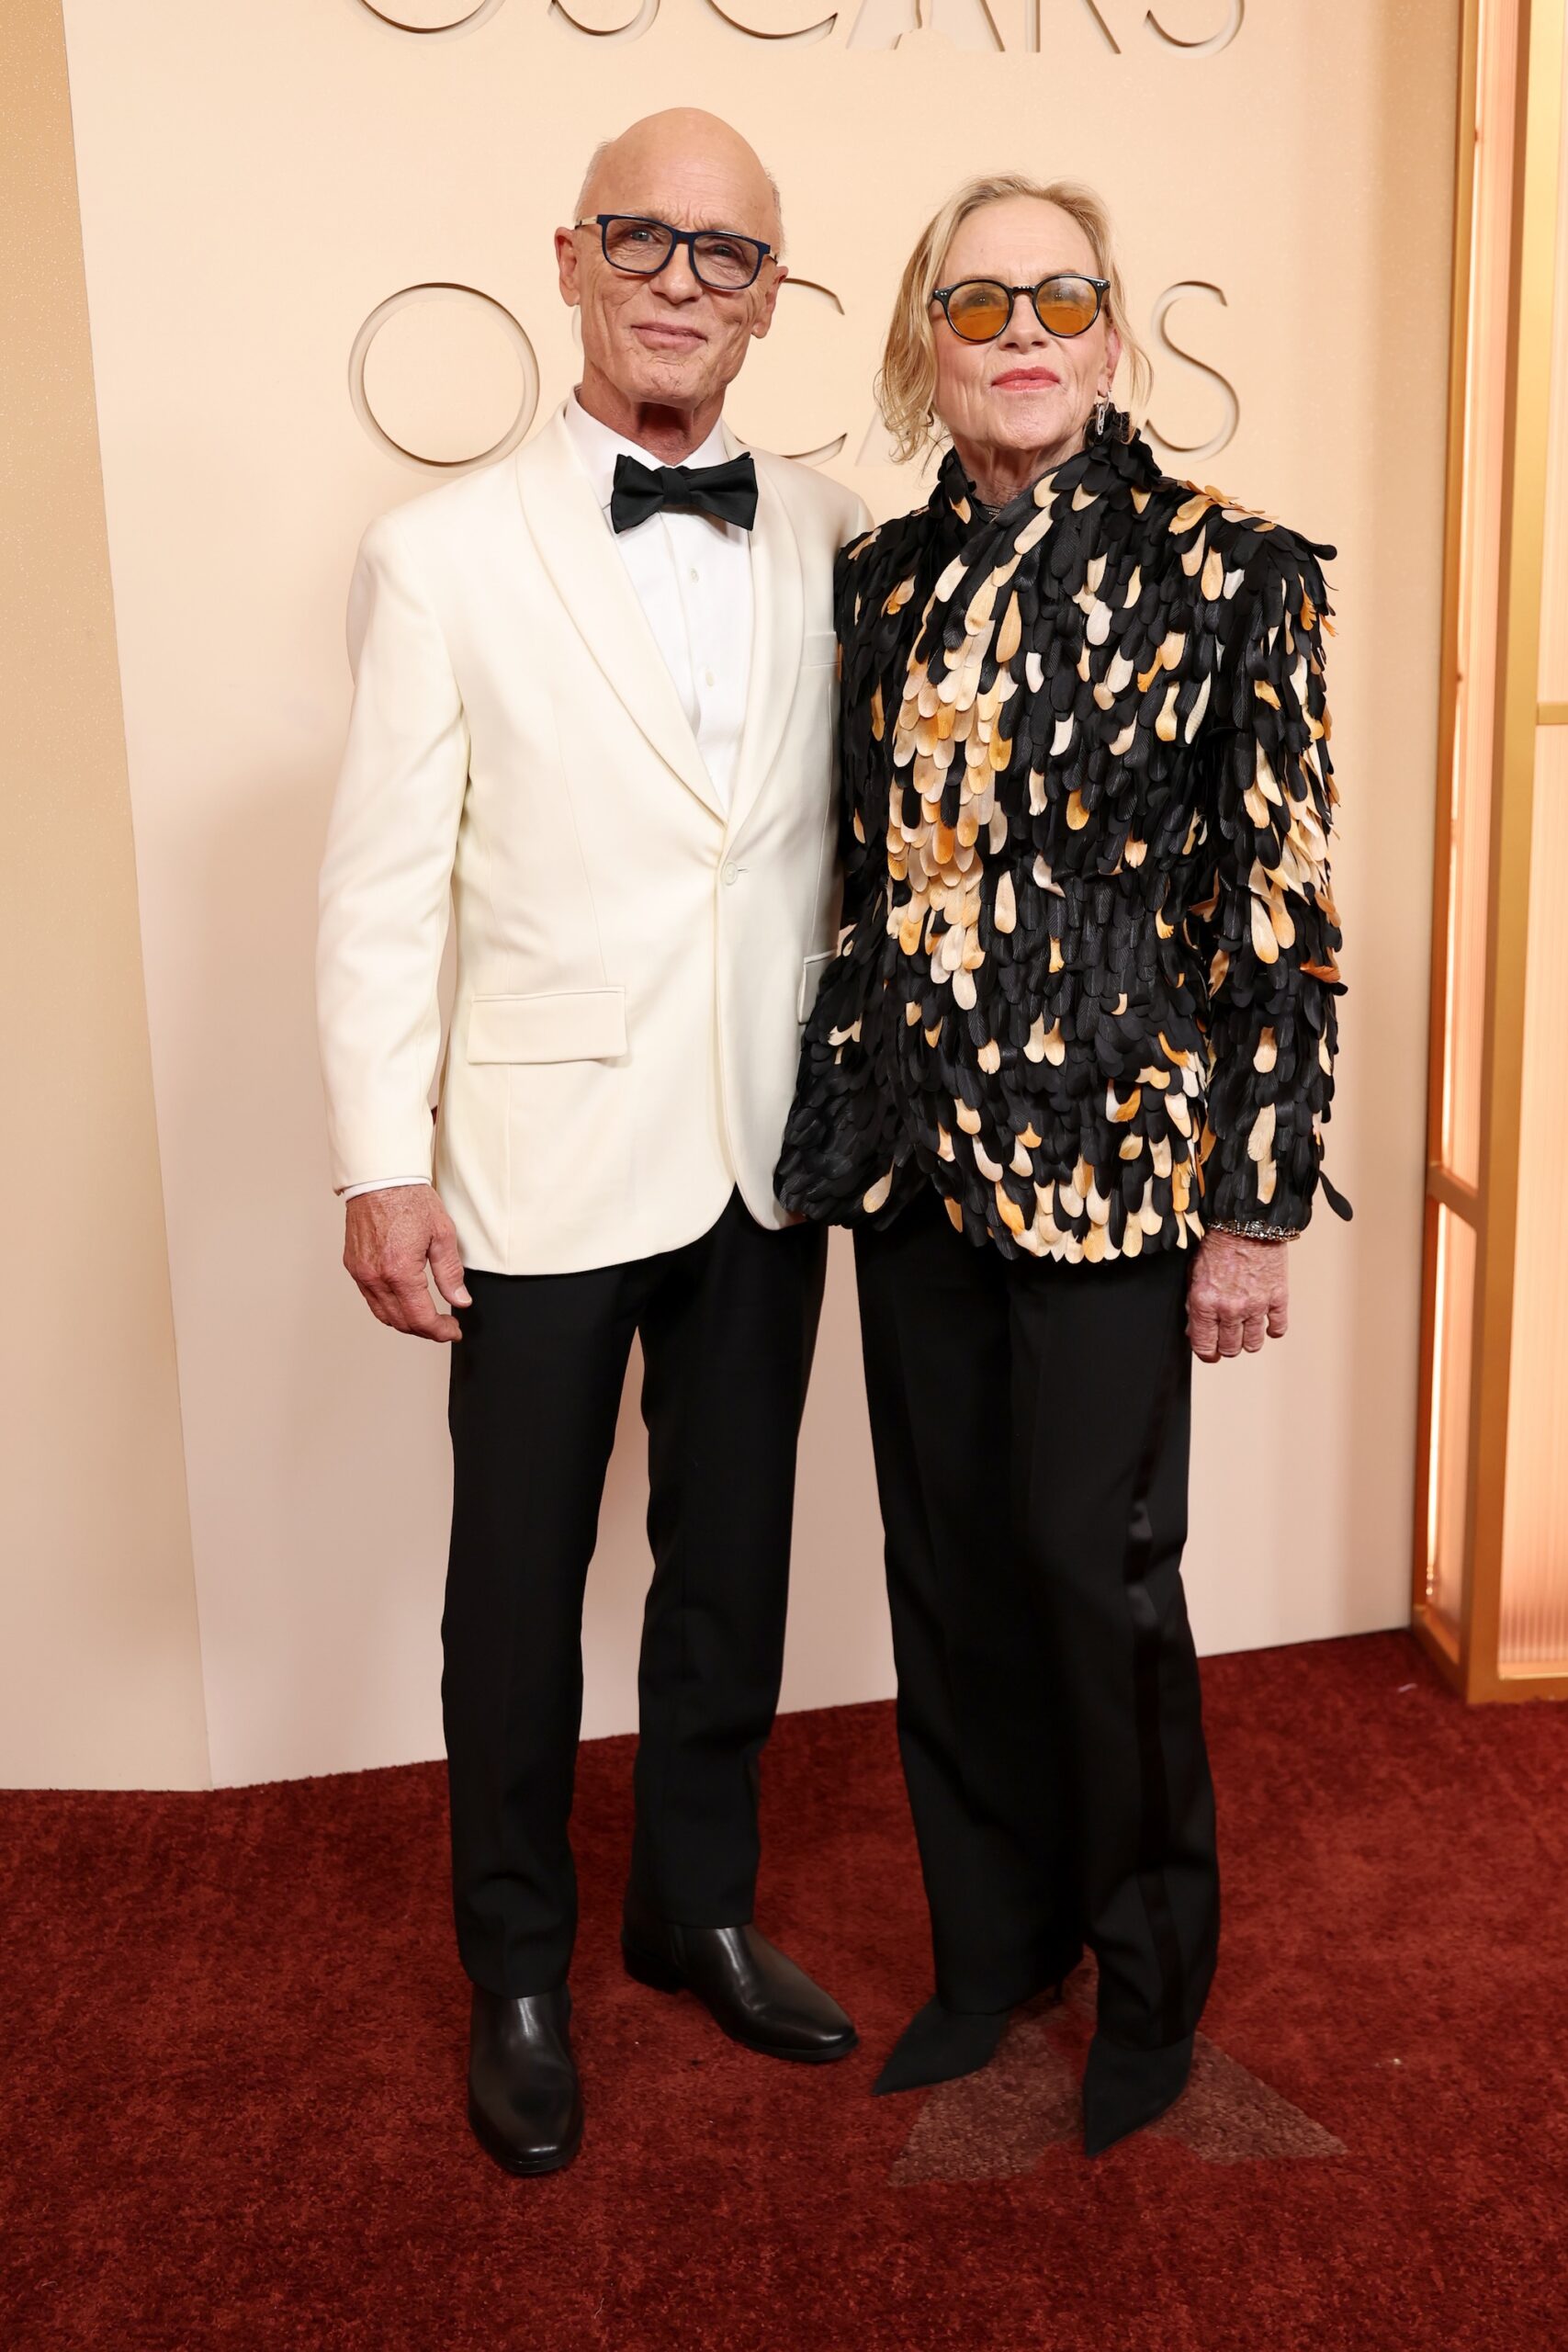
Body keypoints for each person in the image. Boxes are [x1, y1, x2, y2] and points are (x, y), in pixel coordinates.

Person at [317, 109, 870, 2179]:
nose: (677, 277)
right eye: (641, 235)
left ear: (768, 293)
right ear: (567, 256)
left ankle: (694, 1903)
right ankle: (519, 1971)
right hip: (533, 1168)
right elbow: (380, 885)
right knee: (511, 1594)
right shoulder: (437, 552)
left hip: (765, 1155)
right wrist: (383, 1156)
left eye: (725, 251)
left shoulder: (838, 529)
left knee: (725, 1566)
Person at [776, 174, 1348, 2156]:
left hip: (1116, 1152)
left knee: (1089, 1569)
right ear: (923, 346)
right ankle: (986, 1944)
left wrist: (1255, 1200)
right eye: (977, 298)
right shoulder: (874, 585)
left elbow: (1271, 908)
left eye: (1061, 294)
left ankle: (1148, 1964)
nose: (1020, 328)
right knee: (940, 1569)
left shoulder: (1234, 569)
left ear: (1110, 338)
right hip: (910, 1150)